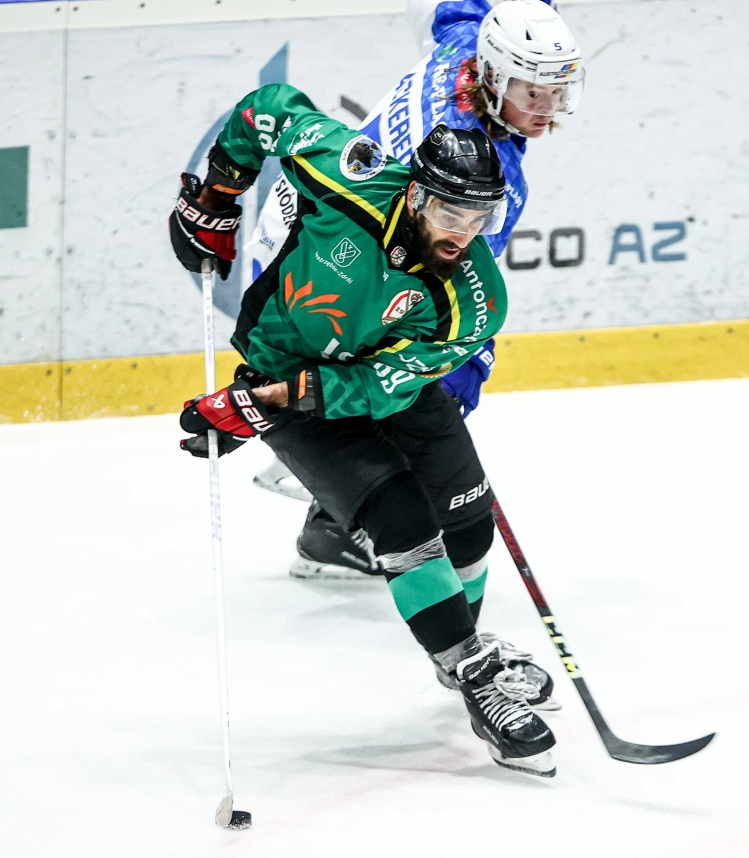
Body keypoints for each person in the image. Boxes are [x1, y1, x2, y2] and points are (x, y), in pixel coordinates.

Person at [167, 82, 557, 776]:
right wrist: (219, 193)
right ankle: (473, 673)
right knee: (402, 519)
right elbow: (270, 108)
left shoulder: (476, 298)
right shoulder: (352, 176)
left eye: (480, 216)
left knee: (469, 517)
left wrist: (270, 404)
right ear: (416, 194)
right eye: (450, 211)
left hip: (372, 380)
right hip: (287, 366)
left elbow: (380, 385)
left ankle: (458, 649)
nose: (463, 232)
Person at [251, 0, 585, 592]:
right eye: (532, 91)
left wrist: (517, 3)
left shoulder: (464, 44)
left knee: (402, 384)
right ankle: (328, 502)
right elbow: (446, 293)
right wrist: (454, 377)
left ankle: (323, 490)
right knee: (417, 387)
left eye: (557, 90)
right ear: (495, 77)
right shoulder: (485, 174)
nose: (546, 107)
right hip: (328, 262)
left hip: (304, 217)